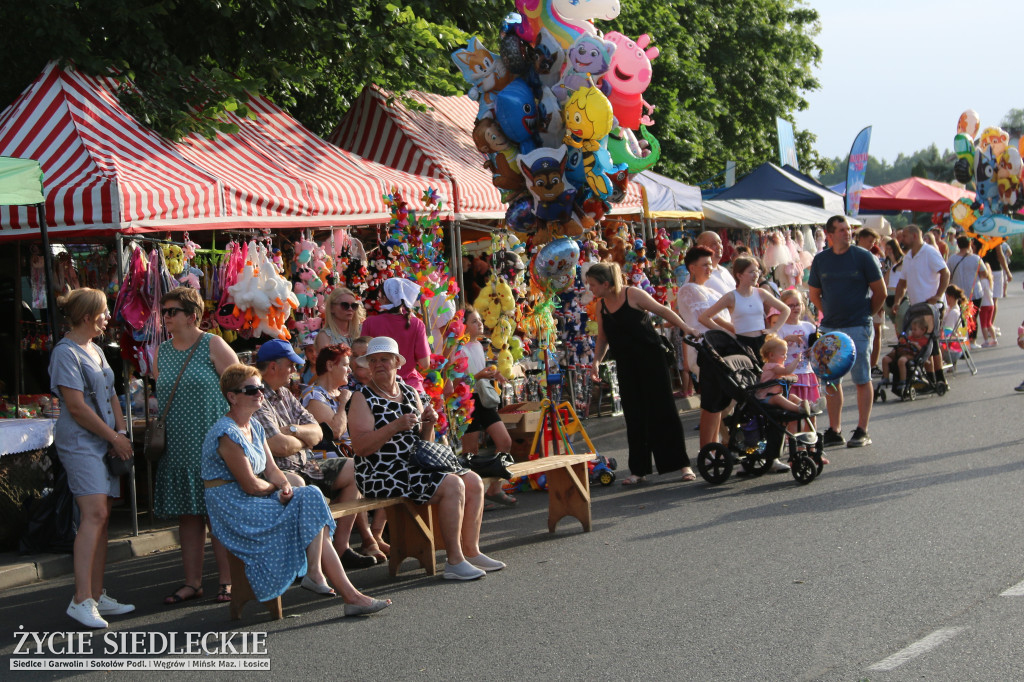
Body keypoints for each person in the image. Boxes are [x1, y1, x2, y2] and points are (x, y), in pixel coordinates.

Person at [202, 363, 390, 614]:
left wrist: (282, 485)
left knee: (310, 495)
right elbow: (250, 485)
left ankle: (324, 577)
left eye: (259, 388)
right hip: (234, 507)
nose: (259, 393)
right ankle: (345, 592)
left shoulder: (254, 426)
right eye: (251, 390)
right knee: (307, 502)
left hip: (253, 497)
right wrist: (278, 489)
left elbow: (271, 470)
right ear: (232, 397)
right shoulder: (227, 433)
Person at [348, 337, 505, 580]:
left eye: (385, 359)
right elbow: (360, 447)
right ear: (368, 365)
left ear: (397, 363)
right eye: (374, 360)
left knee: (472, 480)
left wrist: (429, 424)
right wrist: (394, 427)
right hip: (380, 472)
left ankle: (471, 551)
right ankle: (454, 560)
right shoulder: (362, 397)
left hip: (413, 465)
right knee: (452, 484)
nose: (379, 364)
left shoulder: (409, 392)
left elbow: (425, 445)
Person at [49, 288, 135, 628]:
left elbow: (112, 394)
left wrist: (120, 434)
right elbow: (76, 407)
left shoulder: (96, 349)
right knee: (95, 513)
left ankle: (95, 594)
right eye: (102, 312)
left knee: (103, 514)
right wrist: (114, 435)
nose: (107, 317)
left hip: (103, 440)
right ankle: (82, 598)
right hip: (81, 441)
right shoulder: (65, 353)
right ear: (87, 316)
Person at [254, 339, 377, 571]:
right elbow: (277, 446)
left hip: (307, 463)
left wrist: (292, 430)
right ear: (272, 367)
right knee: (298, 484)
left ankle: (341, 548)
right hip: (281, 472)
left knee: (356, 467)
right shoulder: (257, 397)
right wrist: (302, 437)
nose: (295, 370)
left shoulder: (287, 394)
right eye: (290, 365)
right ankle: (308, 561)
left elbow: (317, 433)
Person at [154, 286, 237, 605]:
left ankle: (228, 581)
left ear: (192, 316)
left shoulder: (212, 344)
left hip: (213, 446)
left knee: (217, 516)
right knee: (188, 518)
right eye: (164, 312)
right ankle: (192, 582)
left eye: (171, 312)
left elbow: (243, 388)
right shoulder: (161, 350)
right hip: (177, 446)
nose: (165, 317)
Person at [587, 262, 698, 485]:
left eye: (592, 285)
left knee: (663, 410)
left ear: (606, 284)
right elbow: (602, 337)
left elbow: (663, 310)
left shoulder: (633, 294)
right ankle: (639, 470)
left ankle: (682, 464)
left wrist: (686, 328)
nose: (590, 289)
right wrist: (596, 361)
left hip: (651, 360)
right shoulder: (601, 306)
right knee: (635, 415)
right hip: (627, 364)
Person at [301, 343, 385, 563]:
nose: (349, 370)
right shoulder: (313, 396)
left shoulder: (340, 394)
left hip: (347, 458)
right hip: (323, 463)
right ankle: (352, 543)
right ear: (330, 365)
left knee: (390, 462)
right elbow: (335, 432)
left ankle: (370, 537)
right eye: (346, 365)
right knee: (357, 469)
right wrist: (343, 404)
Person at [808, 216, 886, 449]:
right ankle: (835, 429)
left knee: (862, 377)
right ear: (829, 235)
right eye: (842, 230)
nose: (847, 233)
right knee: (831, 379)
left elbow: (880, 292)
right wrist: (828, 313)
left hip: (858, 325)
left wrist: (866, 316)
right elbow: (814, 294)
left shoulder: (863, 257)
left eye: (849, 229)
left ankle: (862, 429)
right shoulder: (821, 260)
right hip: (831, 326)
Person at [459, 307, 517, 508]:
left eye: (480, 320)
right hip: (466, 401)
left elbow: (480, 369)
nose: (480, 324)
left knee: (505, 442)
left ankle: (494, 488)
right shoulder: (457, 348)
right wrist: (479, 376)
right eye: (474, 321)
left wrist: (494, 373)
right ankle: (472, 498)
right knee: (470, 452)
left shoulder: (479, 345)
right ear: (463, 325)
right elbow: (456, 379)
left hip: (483, 399)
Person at [892, 224, 950, 388]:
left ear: (914, 236)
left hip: (931, 306)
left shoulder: (929, 252)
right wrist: (897, 301)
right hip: (916, 306)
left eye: (904, 236)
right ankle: (931, 378)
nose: (901, 240)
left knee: (932, 343)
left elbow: (945, 273)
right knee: (923, 343)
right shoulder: (909, 256)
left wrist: (938, 296)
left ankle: (939, 378)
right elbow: (902, 283)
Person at [697, 256, 789, 358]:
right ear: (739, 275)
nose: (756, 275)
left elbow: (785, 309)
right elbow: (704, 317)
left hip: (762, 341)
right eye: (751, 272)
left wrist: (774, 329)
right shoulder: (731, 297)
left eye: (757, 271)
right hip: (742, 343)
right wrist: (725, 333)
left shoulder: (760, 293)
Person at [361, 278, 431, 394]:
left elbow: (363, 358)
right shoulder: (417, 324)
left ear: (384, 297)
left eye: (380, 295)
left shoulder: (370, 323)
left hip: (379, 388)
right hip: (411, 388)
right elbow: (425, 363)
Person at [756, 334, 812, 415]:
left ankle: (809, 406)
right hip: (766, 397)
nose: (785, 357)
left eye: (786, 354)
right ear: (771, 355)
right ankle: (798, 409)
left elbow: (786, 373)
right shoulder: (772, 366)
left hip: (774, 395)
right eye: (783, 354)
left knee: (792, 396)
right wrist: (796, 360)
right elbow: (787, 371)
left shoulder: (777, 366)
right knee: (778, 398)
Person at [947, 236, 983, 344]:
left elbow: (948, 274)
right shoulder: (976, 258)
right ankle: (972, 341)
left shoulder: (952, 259)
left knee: (961, 318)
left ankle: (961, 341)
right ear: (969, 244)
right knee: (972, 317)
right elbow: (984, 273)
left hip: (958, 293)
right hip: (974, 291)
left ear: (958, 245)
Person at [881, 317, 929, 392]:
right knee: (885, 359)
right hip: (902, 352)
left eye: (915, 329)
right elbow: (902, 343)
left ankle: (902, 380)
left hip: (911, 354)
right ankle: (885, 378)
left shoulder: (924, 340)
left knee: (901, 360)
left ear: (923, 330)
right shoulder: (909, 337)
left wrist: (915, 345)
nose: (912, 331)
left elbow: (922, 351)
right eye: (912, 329)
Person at [315, 287, 365, 354]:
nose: (350, 309)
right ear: (331, 308)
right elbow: (327, 363)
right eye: (345, 305)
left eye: (354, 305)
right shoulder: (325, 336)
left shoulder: (363, 330)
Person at [695, 231, 736, 296]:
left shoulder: (724, 271)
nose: (719, 246)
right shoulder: (698, 275)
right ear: (702, 247)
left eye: (720, 243)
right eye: (714, 244)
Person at [978, 262, 997, 347]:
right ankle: (994, 339)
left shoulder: (982, 282)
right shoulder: (990, 281)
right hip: (991, 304)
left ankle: (986, 341)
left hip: (984, 304)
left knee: (984, 324)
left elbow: (980, 292)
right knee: (989, 323)